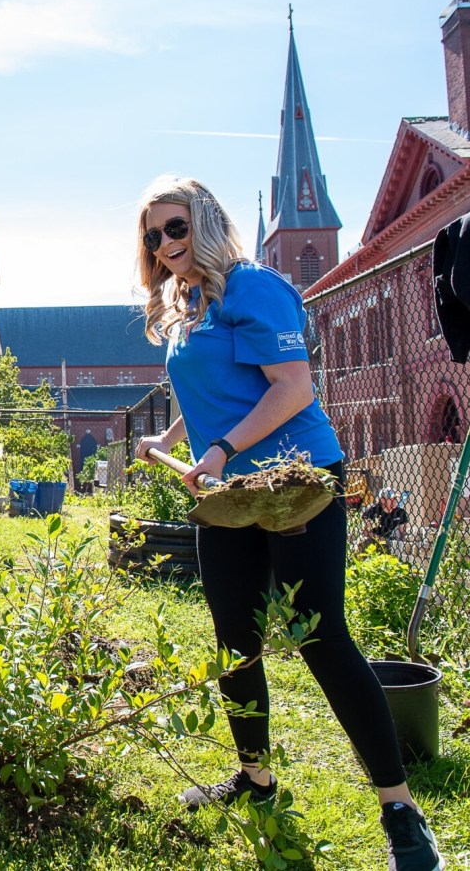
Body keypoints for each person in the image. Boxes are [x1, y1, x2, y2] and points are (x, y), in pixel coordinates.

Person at [132, 176, 444, 870]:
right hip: (230, 493)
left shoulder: (254, 287)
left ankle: (401, 810)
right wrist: (173, 439)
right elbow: (209, 389)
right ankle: (256, 778)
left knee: (322, 637)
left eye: (175, 227)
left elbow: (293, 388)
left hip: (295, 481)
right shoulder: (187, 303)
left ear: (205, 221)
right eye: (153, 236)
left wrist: (219, 448)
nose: (164, 244)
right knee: (234, 641)